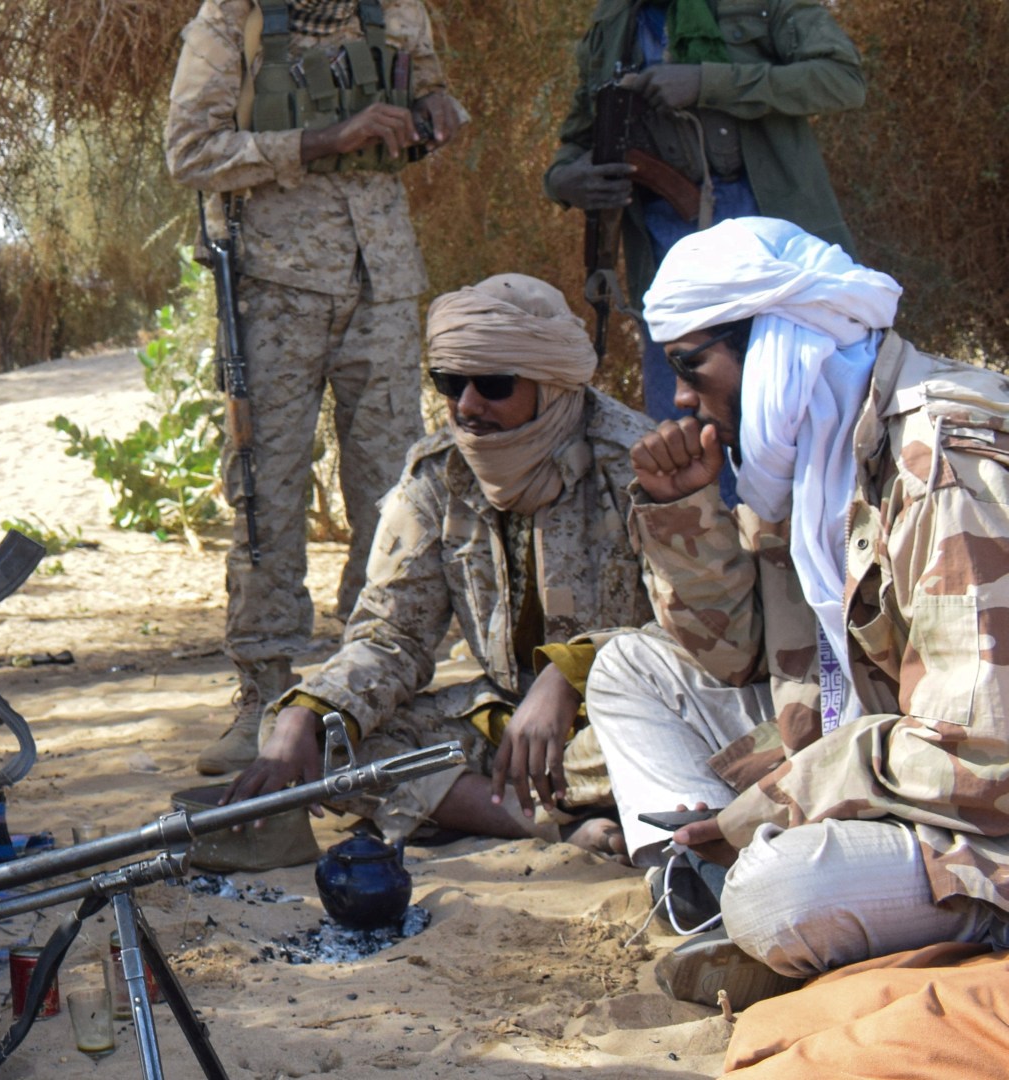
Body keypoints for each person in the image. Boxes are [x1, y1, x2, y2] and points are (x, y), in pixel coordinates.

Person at [585, 217, 1009, 1006]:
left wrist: (783, 797)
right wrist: (683, 516)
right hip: (882, 749)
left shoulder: (943, 461)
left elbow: (982, 755)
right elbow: (737, 658)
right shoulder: (808, 446)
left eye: (690, 365)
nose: (681, 398)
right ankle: (707, 885)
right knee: (628, 668)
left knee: (778, 893)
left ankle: (975, 920)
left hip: (985, 818)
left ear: (776, 340)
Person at [224, 274, 653, 857]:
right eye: (450, 383)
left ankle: (509, 805)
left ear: (551, 384)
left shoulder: (636, 465)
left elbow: (692, 638)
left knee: (694, 739)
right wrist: (311, 712)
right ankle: (548, 822)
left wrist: (569, 674)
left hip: (621, 715)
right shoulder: (438, 473)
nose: (468, 406)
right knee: (318, 741)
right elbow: (392, 634)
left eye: (494, 385)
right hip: (505, 722)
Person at [166, 0, 468, 775]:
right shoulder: (232, 18)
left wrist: (437, 112)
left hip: (383, 277)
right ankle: (262, 694)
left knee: (396, 496)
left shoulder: (397, 11)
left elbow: (432, 91)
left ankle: (370, 687)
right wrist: (321, 141)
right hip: (272, 286)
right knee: (265, 492)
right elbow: (190, 152)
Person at [544, 0, 864, 422]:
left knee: (806, 405)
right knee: (686, 418)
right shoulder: (612, 24)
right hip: (666, 252)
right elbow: (578, 136)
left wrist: (706, 82)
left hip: (772, 242)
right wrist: (563, 180)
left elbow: (841, 80)